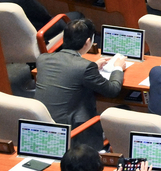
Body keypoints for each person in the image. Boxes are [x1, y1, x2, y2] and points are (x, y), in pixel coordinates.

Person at [36, 18, 124, 150]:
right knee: (122, 110)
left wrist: (92, 66)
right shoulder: (84, 67)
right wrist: (118, 68)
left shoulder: (42, 59)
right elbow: (112, 90)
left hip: (42, 126)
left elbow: (66, 71)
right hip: (72, 130)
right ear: (88, 41)